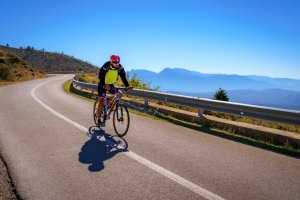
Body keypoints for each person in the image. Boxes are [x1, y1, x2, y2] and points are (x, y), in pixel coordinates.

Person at [96, 54, 131, 126]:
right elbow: (101, 75)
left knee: (120, 94)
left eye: (118, 62)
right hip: (102, 84)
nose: (116, 64)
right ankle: (98, 119)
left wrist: (127, 86)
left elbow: (123, 77)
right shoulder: (106, 65)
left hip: (111, 84)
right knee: (101, 101)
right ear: (111, 62)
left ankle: (109, 106)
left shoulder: (120, 68)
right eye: (115, 62)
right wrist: (103, 85)